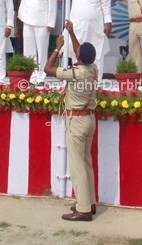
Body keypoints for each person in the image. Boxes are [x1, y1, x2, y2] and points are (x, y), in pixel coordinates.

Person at [44, 20, 97, 222]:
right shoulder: (93, 69)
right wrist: (72, 33)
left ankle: (83, 209)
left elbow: (47, 68)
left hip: (77, 121)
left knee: (77, 166)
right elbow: (79, 51)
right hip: (89, 118)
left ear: (79, 58)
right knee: (86, 162)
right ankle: (89, 202)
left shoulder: (74, 73)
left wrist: (57, 48)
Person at [7, 0, 57, 85]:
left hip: (42, 22)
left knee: (42, 50)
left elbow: (53, 4)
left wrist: (51, 23)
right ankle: (32, 76)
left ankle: (41, 77)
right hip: (27, 20)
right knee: (28, 50)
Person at [57, 0, 111, 81]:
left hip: (94, 28)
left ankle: (96, 81)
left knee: (96, 53)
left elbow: (106, 8)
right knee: (70, 51)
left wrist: (108, 23)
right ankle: (69, 78)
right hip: (76, 27)